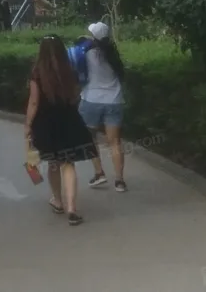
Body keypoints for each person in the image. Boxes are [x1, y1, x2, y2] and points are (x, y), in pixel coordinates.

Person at [24, 35, 97, 226]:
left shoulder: (37, 73)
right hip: (69, 120)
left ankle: (58, 201)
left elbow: (34, 102)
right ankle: (72, 208)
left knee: (53, 163)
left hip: (46, 123)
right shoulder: (69, 70)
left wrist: (28, 124)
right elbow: (75, 94)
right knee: (68, 163)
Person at [76, 21, 129, 191]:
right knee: (115, 142)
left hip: (91, 99)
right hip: (114, 100)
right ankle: (119, 180)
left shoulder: (86, 52)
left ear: (93, 37)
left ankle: (99, 173)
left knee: (89, 138)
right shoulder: (113, 54)